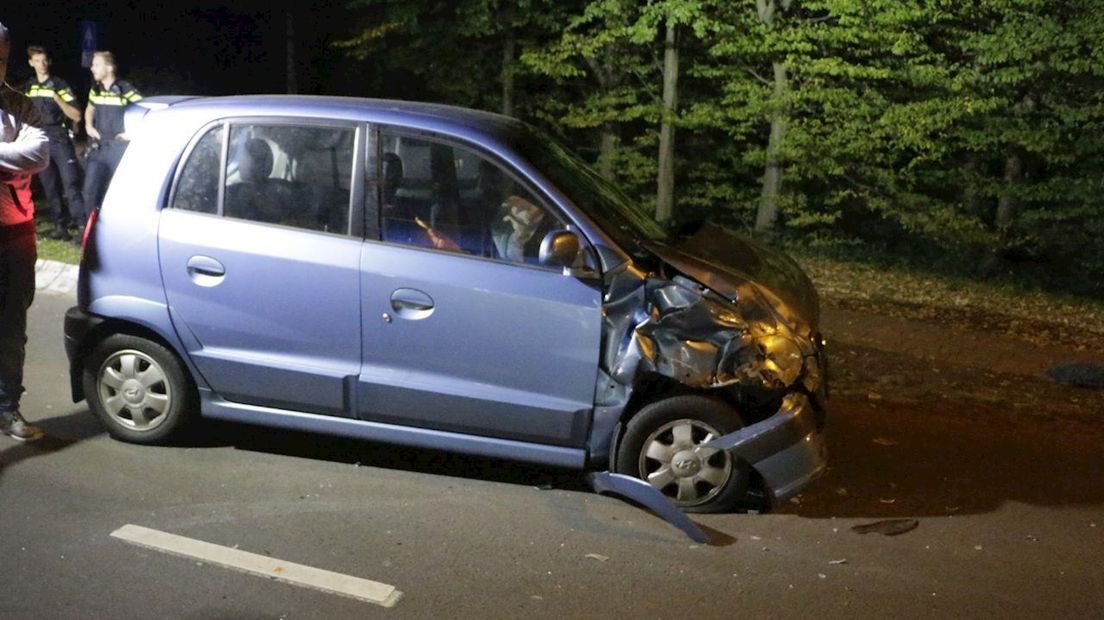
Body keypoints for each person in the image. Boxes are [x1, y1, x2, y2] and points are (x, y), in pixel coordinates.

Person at [0, 21, 49, 442]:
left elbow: (39, 153)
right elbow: (22, 155)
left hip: (15, 235)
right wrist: (10, 156)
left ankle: (6, 408)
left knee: (12, 329)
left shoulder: (20, 104)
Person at [24, 45, 84, 240]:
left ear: (49, 62)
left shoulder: (59, 84)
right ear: (31, 63)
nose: (42, 64)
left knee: (71, 185)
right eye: (37, 60)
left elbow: (76, 115)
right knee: (49, 186)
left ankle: (82, 227)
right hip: (40, 139)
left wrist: (57, 99)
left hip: (59, 138)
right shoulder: (30, 86)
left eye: (44, 60)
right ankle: (61, 226)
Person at [81, 50, 140, 222]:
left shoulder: (124, 88)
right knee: (89, 191)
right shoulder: (95, 90)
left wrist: (133, 133)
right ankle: (90, 231)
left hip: (118, 149)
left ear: (110, 67)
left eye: (96, 64)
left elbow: (146, 109)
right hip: (98, 148)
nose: (92, 68)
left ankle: (120, 227)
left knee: (120, 192)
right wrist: (88, 125)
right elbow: (89, 109)